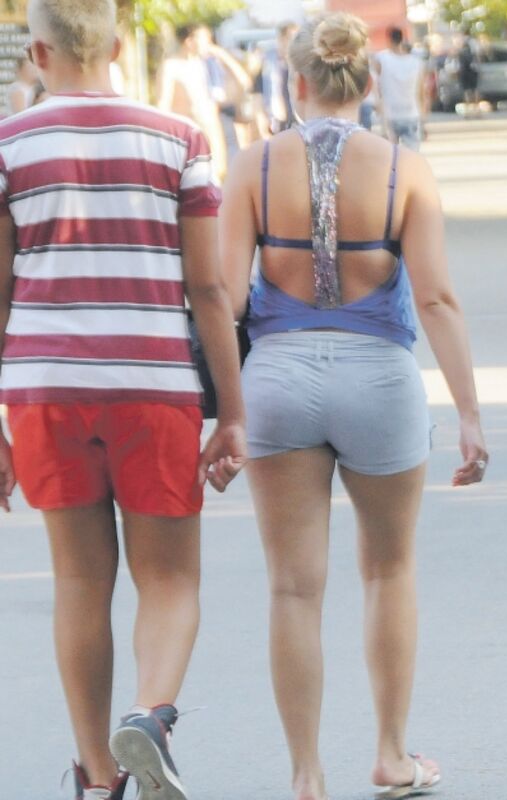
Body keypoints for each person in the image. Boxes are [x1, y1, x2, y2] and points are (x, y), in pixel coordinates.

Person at [219, 13, 487, 800]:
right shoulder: (405, 170)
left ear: (295, 80)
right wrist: (469, 416)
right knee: (389, 570)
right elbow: (436, 299)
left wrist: (222, 413)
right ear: (368, 82)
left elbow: (225, 299)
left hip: (278, 380)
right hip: (379, 381)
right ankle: (392, 756)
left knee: (292, 587)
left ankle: (306, 775)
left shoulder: (252, 167)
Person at [0, 1, 247, 799]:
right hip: (153, 386)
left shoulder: (7, 145)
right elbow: (208, 289)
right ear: (114, 43)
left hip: (45, 390)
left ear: (38, 51)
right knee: (170, 581)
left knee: (79, 583)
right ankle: (148, 715)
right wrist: (233, 413)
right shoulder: (180, 140)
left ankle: (98, 775)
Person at [158, 24, 227, 181]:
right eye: (205, 39)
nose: (209, 44)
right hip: (186, 134)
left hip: (210, 130)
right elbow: (163, 103)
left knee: (216, 177)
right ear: (189, 41)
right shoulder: (171, 66)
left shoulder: (205, 64)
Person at [375, 27, 426, 149]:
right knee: (412, 154)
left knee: (391, 156)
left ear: (388, 39)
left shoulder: (381, 59)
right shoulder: (416, 62)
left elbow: (377, 87)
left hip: (390, 114)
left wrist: (378, 108)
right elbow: (421, 91)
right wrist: (423, 118)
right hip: (411, 113)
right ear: (402, 39)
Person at [261, 22, 299, 134]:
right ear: (281, 39)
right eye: (291, 38)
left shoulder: (299, 62)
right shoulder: (269, 59)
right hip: (275, 117)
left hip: (296, 116)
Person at [456, 31, 480, 117]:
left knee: (466, 91)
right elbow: (478, 57)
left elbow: (458, 63)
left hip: (464, 71)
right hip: (473, 70)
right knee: (475, 90)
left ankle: (467, 111)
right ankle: (476, 110)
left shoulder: (461, 48)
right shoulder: (474, 43)